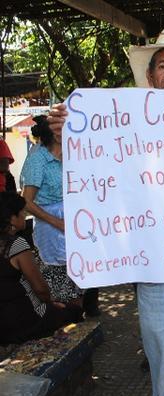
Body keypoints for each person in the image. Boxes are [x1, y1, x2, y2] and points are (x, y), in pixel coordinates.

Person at [48, 27, 164, 396]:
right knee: (163, 384)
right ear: (149, 77)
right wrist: (70, 134)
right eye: (161, 66)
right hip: (156, 278)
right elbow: (95, 171)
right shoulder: (124, 126)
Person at [0, 191, 82, 345]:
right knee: (74, 312)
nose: (24, 215)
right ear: (11, 218)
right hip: (22, 321)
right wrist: (50, 303)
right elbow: (40, 289)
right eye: (21, 212)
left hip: (4, 323)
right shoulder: (17, 245)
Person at [21, 112, 83, 306]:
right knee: (61, 291)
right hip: (52, 229)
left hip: (71, 224)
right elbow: (27, 202)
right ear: (57, 134)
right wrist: (58, 222)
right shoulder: (37, 160)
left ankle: (79, 319)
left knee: (77, 284)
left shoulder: (70, 153)